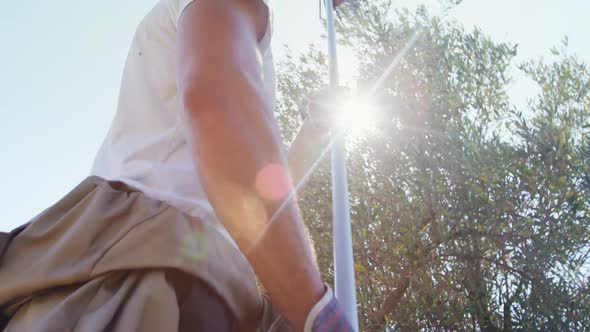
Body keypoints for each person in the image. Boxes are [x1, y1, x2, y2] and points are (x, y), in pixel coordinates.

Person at [0, 0, 353, 331]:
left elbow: (254, 200)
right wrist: (315, 310)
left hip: (171, 275)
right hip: (147, 278)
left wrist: (312, 134)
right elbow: (217, 110)